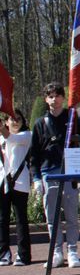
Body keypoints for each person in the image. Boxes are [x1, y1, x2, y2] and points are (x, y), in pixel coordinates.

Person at [30, 83, 80, 268]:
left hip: (69, 173)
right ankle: (57, 252)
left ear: (63, 97)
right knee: (52, 218)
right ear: (46, 99)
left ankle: (73, 251)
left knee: (72, 215)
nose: (55, 99)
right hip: (48, 173)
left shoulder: (73, 118)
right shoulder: (39, 124)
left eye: (58, 95)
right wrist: (36, 179)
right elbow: (34, 155)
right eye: (51, 96)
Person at [0, 109, 32, 266]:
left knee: (21, 219)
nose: (15, 121)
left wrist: (1, 129)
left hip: (20, 181)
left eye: (19, 118)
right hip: (2, 182)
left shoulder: (26, 135)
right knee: (2, 219)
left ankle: (23, 255)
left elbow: (10, 137)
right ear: (6, 121)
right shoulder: (1, 138)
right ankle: (4, 253)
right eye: (12, 118)